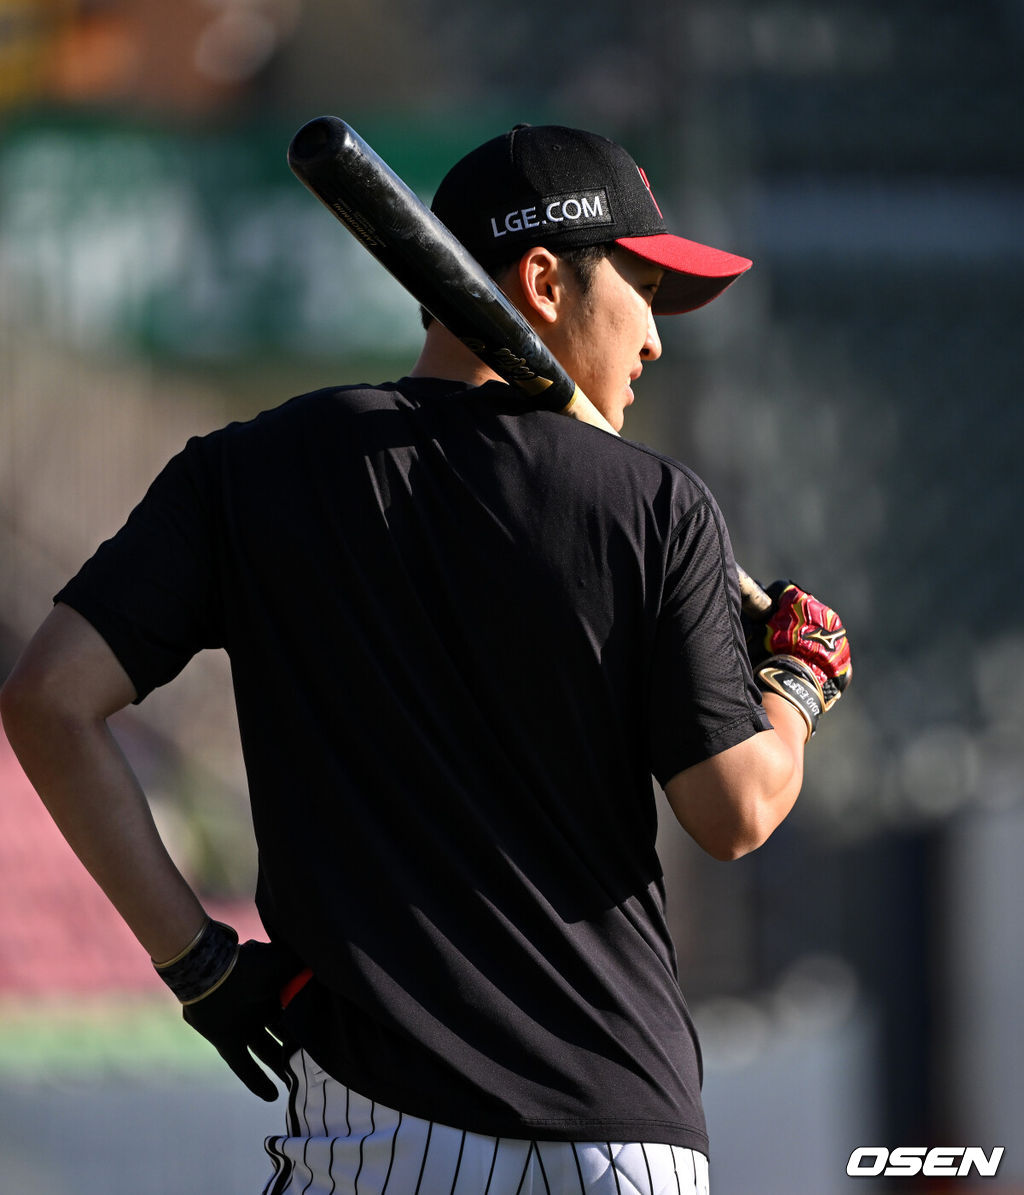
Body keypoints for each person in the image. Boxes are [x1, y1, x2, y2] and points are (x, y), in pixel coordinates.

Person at [0, 123, 851, 1194]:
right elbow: (735, 811)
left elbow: (48, 700)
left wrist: (199, 963)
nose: (655, 339)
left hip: (370, 1142)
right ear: (543, 280)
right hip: (620, 1138)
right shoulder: (655, 504)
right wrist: (800, 680)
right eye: (639, 285)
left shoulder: (248, 474)